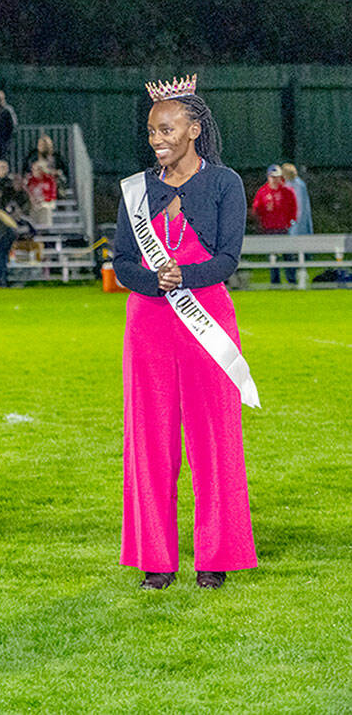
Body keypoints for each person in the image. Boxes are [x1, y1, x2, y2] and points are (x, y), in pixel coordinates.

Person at [113, 74, 258, 591]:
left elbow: (227, 258)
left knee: (214, 437)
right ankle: (156, 558)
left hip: (207, 316)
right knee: (149, 439)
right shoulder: (136, 190)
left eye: (168, 129)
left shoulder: (225, 184)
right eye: (152, 131)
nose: (157, 139)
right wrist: (156, 281)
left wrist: (184, 277)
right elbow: (121, 261)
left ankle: (215, 557)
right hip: (149, 322)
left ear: (194, 129)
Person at [250, 164, 297, 284]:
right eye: (272, 177)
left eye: (277, 177)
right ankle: (275, 281)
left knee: (288, 255)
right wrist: (260, 222)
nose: (275, 179)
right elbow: (256, 210)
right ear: (268, 177)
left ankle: (291, 279)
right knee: (273, 256)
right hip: (269, 229)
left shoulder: (287, 192)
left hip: (283, 229)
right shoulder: (262, 192)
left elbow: (293, 209)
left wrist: (290, 223)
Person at [281, 162, 312, 284]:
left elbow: (299, 207)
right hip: (297, 224)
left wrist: (292, 224)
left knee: (295, 251)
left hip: (296, 224)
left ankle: (297, 276)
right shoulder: (297, 184)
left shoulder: (295, 185)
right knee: (295, 252)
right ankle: (294, 276)